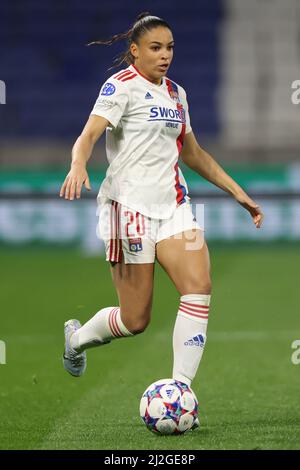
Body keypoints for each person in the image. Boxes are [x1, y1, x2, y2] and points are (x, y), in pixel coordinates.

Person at [59, 13, 264, 389]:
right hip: (128, 210)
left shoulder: (176, 93)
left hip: (174, 207)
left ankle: (181, 389)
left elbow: (193, 152)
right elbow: (88, 136)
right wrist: (77, 164)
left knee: (199, 286)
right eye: (155, 48)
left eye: (169, 47)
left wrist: (238, 193)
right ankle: (76, 340)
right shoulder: (120, 87)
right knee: (135, 320)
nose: (165, 54)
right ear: (135, 51)